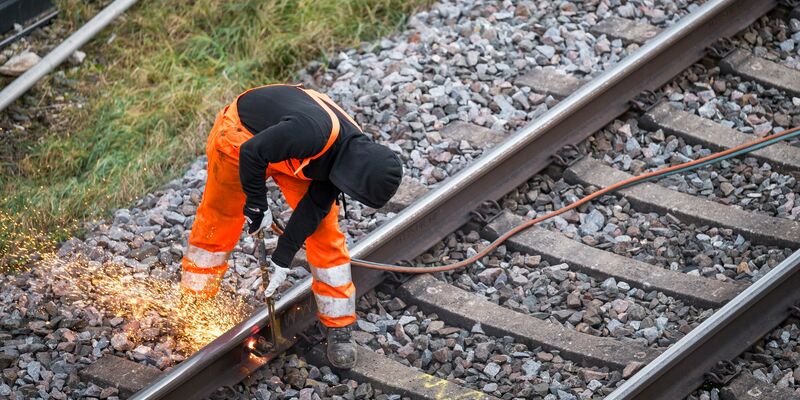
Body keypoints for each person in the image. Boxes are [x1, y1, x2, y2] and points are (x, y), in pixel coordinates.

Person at [179, 83, 403, 369]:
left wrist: (282, 258)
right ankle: (195, 304)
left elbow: (313, 210)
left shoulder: (352, 157)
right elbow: (252, 153)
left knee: (326, 235)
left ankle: (339, 325)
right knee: (219, 221)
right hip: (242, 137)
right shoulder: (311, 134)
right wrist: (258, 206)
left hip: (293, 151)